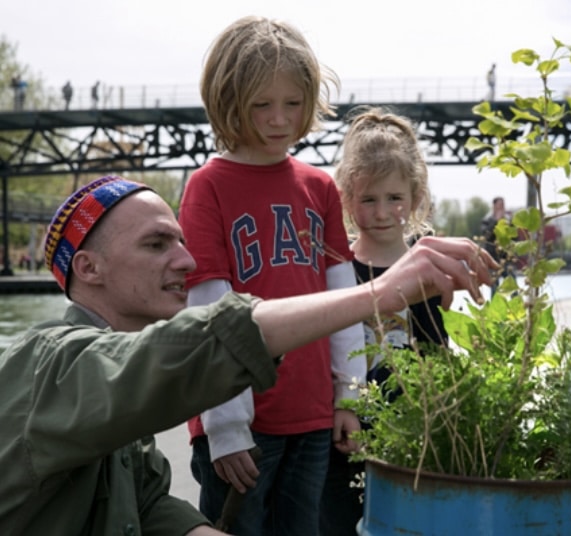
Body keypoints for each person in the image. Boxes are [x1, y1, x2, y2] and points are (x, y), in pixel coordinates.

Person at [0, 174, 497, 534]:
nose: (187, 260)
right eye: (156, 244)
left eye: (181, 240)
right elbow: (188, 349)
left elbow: (150, 508)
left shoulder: (115, 399)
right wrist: (377, 294)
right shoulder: (50, 364)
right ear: (88, 268)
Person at [177, 16, 366, 535]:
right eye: (262, 104)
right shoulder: (207, 187)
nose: (280, 119)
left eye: (293, 103)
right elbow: (209, 313)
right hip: (241, 424)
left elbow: (342, 301)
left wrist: (351, 397)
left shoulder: (320, 188)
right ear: (228, 100)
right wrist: (226, 427)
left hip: (311, 415)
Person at [319, 107, 449, 535]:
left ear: (415, 197)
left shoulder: (424, 267)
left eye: (394, 198)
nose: (381, 211)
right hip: (348, 432)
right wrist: (348, 408)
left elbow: (435, 350)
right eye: (368, 199)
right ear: (347, 198)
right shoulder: (339, 268)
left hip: (411, 430)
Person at [480, 196, 515, 295]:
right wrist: (495, 221)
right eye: (499, 205)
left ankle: (516, 306)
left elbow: (514, 237)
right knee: (494, 286)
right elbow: (486, 235)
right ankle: (495, 308)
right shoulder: (487, 220)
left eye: (503, 205)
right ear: (494, 206)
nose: (502, 208)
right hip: (492, 258)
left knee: (512, 282)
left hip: (505, 258)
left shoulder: (508, 220)